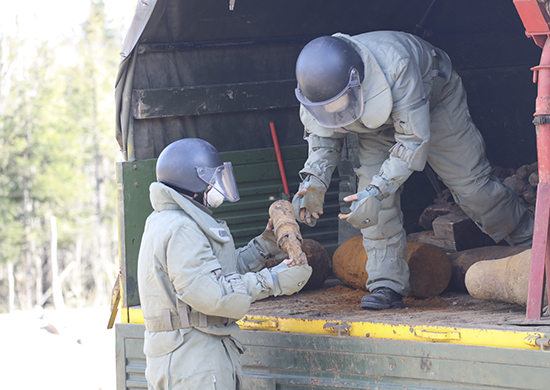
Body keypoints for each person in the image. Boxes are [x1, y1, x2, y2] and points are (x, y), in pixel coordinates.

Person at [292, 31, 534, 310]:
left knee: (473, 188)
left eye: (339, 105)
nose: (334, 113)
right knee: (371, 207)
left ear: (355, 81)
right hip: (376, 124)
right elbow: (322, 140)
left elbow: (413, 142)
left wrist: (378, 189)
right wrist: (314, 183)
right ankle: (386, 284)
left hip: (434, 101)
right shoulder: (316, 88)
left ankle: (530, 242)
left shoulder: (398, 65)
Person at [137, 138, 312, 389]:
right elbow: (211, 294)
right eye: (213, 179)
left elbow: (214, 271)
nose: (217, 186)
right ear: (194, 182)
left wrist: (263, 246)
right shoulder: (182, 228)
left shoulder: (168, 220)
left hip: (191, 353)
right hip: (193, 360)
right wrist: (273, 280)